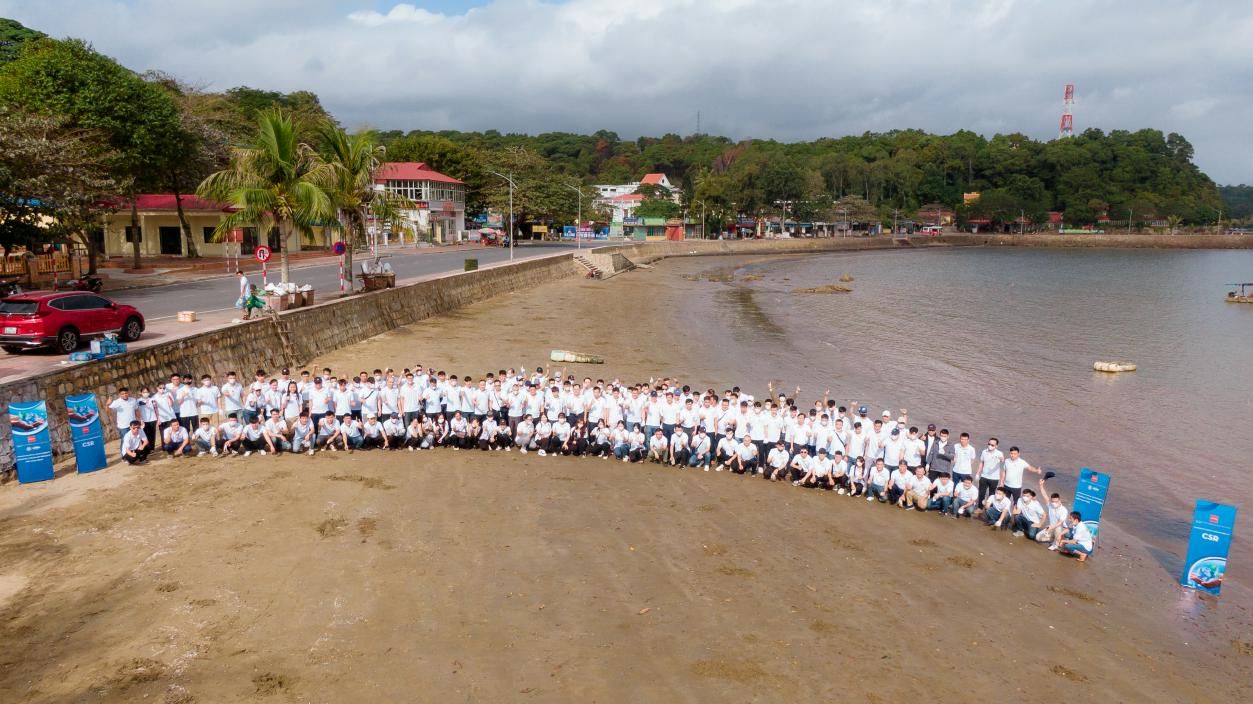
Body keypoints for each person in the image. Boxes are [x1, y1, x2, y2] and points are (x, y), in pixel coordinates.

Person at [976, 437, 1004, 508]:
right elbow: (981, 463)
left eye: (992, 445)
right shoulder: (984, 452)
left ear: (996, 446)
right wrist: (977, 473)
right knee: (981, 493)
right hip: (984, 476)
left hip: (994, 478)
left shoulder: (999, 453)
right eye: (989, 444)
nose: (990, 446)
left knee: (992, 495)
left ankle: (989, 508)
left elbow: (1002, 460)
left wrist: (1001, 459)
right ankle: (980, 507)